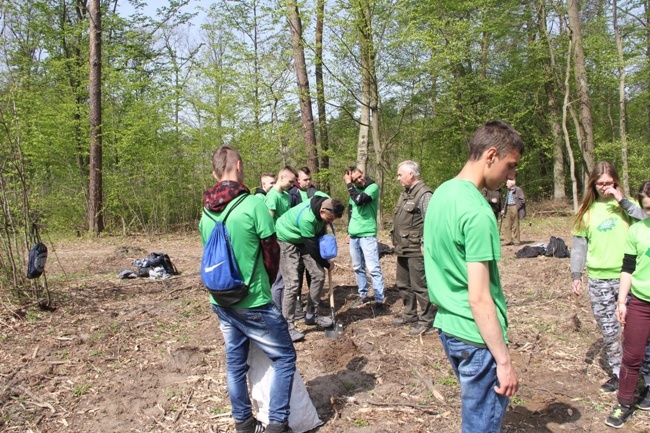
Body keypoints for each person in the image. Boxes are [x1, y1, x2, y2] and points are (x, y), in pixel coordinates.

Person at [423, 120, 521, 433]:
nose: (510, 176)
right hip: (477, 338)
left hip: (449, 328)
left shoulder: (440, 194)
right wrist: (504, 362)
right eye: (510, 166)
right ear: (491, 155)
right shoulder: (478, 213)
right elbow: (478, 297)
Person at [199, 146, 295, 433]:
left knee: (235, 364)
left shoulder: (205, 212)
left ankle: (243, 423)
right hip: (254, 300)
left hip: (221, 299)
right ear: (238, 165)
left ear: (215, 172)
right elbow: (271, 251)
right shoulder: (254, 204)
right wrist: (265, 281)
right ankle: (277, 423)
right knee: (285, 357)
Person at [571, 163, 650, 395]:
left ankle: (646, 378)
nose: (605, 187)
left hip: (630, 278)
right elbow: (579, 246)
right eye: (600, 183)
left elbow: (643, 217)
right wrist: (576, 274)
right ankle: (619, 373)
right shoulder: (586, 211)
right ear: (593, 184)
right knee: (610, 330)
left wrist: (621, 198)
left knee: (640, 332)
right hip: (599, 279)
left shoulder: (629, 206)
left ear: (615, 182)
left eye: (609, 182)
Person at [605, 181, 650, 428]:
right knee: (632, 356)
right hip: (641, 302)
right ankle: (623, 403)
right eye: (647, 208)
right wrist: (622, 301)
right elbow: (628, 268)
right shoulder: (637, 231)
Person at [275, 195, 345, 342]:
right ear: (322, 211)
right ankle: (288, 326)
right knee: (292, 283)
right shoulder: (307, 218)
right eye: (330, 219)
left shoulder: (326, 202)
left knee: (319, 276)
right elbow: (312, 248)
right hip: (287, 239)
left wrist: (327, 252)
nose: (330, 222)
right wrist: (326, 263)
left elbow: (320, 237)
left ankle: (311, 315)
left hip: (305, 238)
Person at [391, 160, 437, 336]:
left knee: (420, 285)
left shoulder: (424, 194)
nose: (398, 178)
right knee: (403, 283)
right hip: (402, 247)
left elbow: (430, 222)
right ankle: (409, 315)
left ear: (411, 174)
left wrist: (425, 243)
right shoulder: (405, 194)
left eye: (400, 174)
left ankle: (428, 321)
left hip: (416, 249)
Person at [345, 166, 385, 312]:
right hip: (354, 234)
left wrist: (349, 184)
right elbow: (351, 210)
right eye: (355, 180)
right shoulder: (354, 191)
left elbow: (360, 201)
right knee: (357, 267)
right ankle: (363, 295)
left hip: (367, 234)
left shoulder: (373, 187)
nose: (360, 180)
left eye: (360, 176)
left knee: (373, 267)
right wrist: (348, 231)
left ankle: (379, 299)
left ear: (363, 173)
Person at [288, 166, 321, 319]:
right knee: (298, 270)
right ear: (298, 180)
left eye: (309, 179)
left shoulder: (314, 193)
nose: (308, 182)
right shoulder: (292, 194)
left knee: (312, 270)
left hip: (310, 235)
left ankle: (313, 300)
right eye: (305, 180)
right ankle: (298, 301)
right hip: (296, 238)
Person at [264, 167, 297, 309]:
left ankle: (284, 309)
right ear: (282, 177)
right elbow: (268, 221)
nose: (292, 185)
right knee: (279, 279)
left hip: (286, 240)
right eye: (290, 181)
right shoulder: (273, 196)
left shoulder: (284, 195)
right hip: (277, 241)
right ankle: (276, 311)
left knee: (285, 278)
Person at [501, 179, 525, 245]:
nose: (506, 185)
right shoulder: (508, 191)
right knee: (507, 225)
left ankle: (516, 241)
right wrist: (504, 209)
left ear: (511, 184)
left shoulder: (518, 189)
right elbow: (506, 201)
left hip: (515, 206)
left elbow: (522, 200)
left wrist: (517, 207)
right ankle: (507, 241)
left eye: (507, 183)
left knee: (515, 224)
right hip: (508, 207)